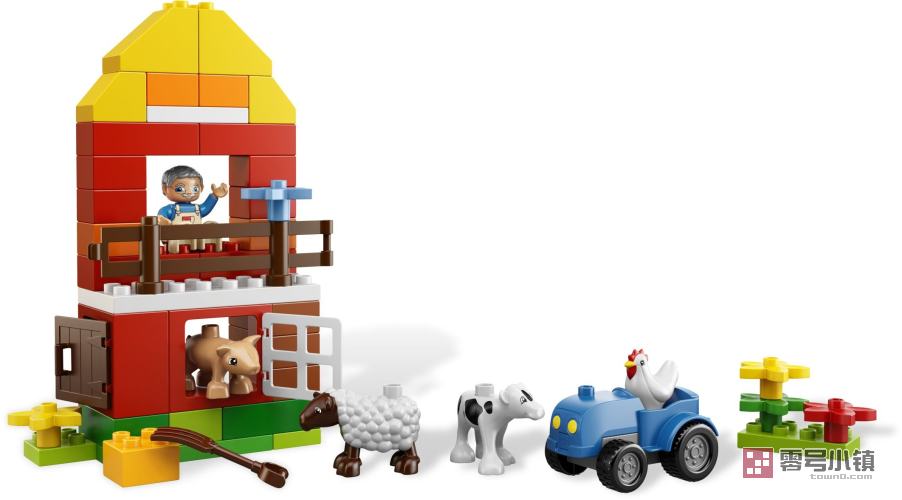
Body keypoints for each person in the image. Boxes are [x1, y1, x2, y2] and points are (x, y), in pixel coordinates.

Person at [157, 165, 229, 253]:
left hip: (199, 242)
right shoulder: (171, 209)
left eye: (195, 188)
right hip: (177, 243)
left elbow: (206, 207)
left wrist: (214, 195)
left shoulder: (198, 209)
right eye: (180, 188)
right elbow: (161, 216)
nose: (189, 192)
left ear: (201, 188)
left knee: (211, 225)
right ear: (165, 189)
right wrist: (162, 221)